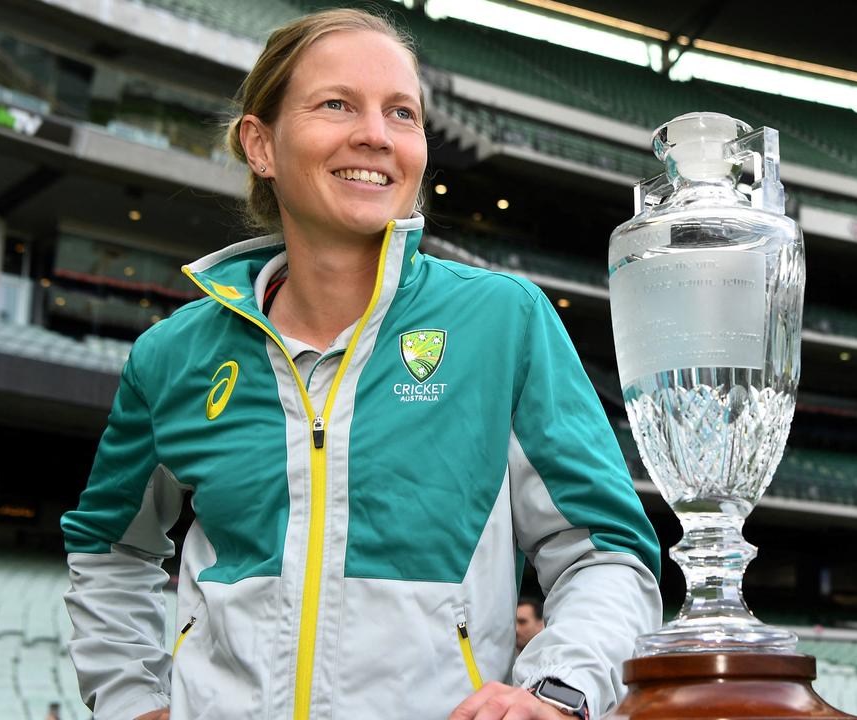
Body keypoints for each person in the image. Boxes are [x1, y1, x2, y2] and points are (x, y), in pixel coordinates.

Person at [60, 8, 661, 719]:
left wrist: (558, 690)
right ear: (261, 144)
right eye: (336, 104)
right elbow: (108, 551)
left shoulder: (505, 321)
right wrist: (131, 703)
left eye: (401, 112)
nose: (375, 134)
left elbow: (606, 552)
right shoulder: (171, 355)